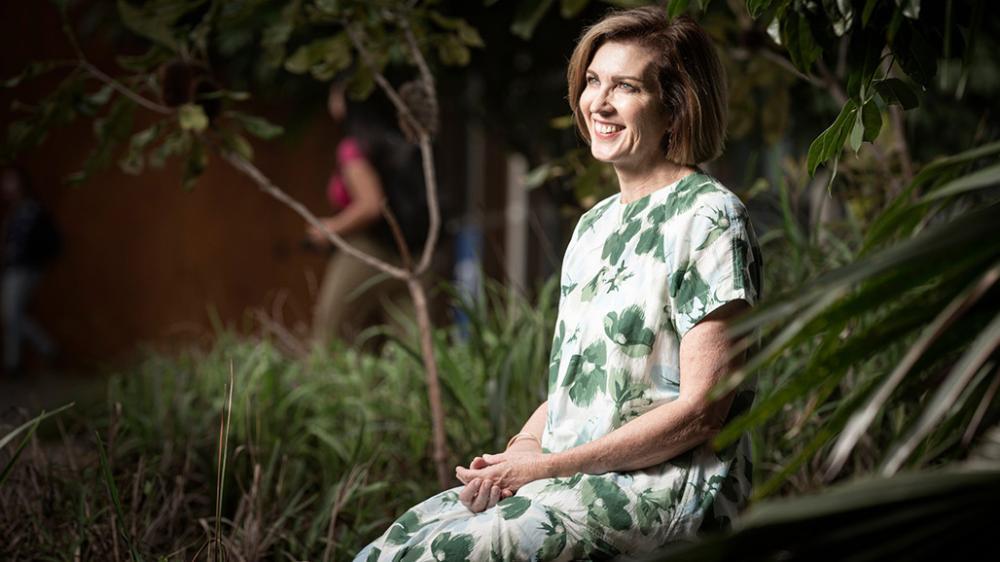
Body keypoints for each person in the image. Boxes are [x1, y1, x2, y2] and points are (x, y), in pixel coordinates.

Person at [355, 7, 762, 561]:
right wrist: (516, 455)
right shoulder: (594, 228)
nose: (599, 101)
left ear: (674, 107)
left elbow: (700, 411)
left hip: (665, 493)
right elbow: (577, 390)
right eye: (593, 81)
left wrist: (543, 467)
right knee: (401, 543)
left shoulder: (710, 217)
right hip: (572, 482)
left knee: (459, 552)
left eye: (626, 86)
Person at [308, 82, 427, 345]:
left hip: (371, 248)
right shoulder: (396, 137)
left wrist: (329, 229)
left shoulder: (354, 147)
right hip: (414, 253)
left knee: (329, 334)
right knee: (410, 344)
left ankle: (323, 382)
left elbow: (370, 204)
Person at [1, 166, 60, 376]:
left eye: (10, 181)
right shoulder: (14, 211)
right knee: (13, 315)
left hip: (24, 269)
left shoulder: (30, 210)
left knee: (11, 315)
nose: (5, 186)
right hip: (14, 269)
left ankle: (15, 363)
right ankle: (44, 349)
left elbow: (40, 241)